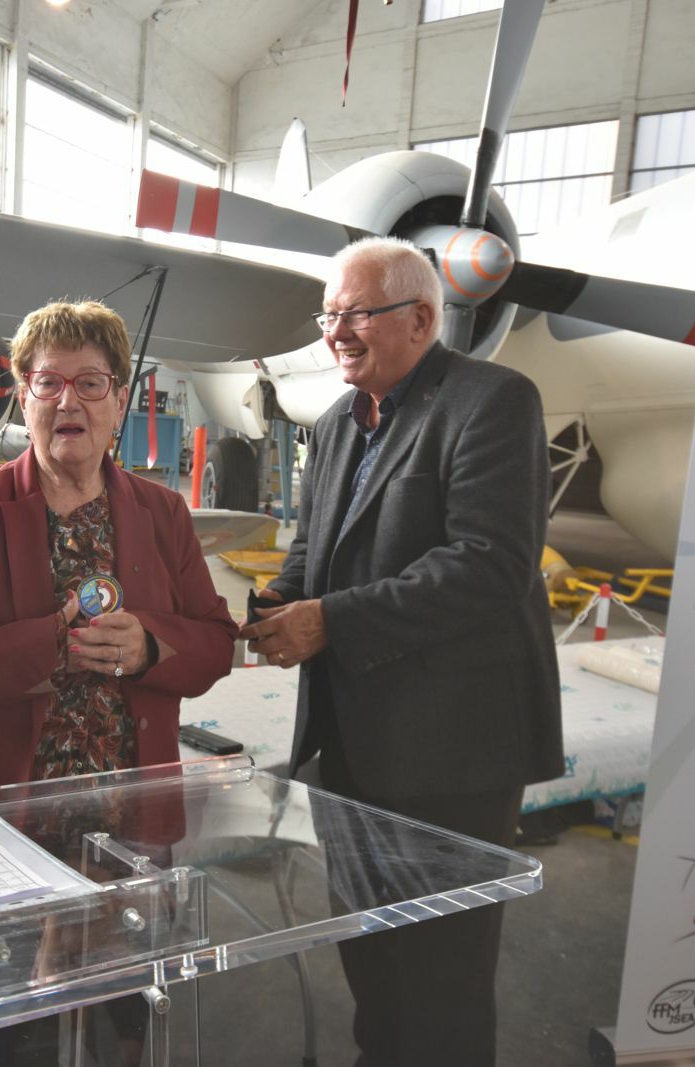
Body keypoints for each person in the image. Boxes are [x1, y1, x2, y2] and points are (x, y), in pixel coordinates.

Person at [240, 236, 563, 1065]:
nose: (334, 334)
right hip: (352, 738)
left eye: (353, 315)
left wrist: (330, 622)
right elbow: (312, 548)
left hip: (455, 748)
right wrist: (274, 602)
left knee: (443, 973)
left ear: (421, 317)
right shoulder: (339, 421)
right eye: (328, 316)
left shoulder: (494, 401)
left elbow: (487, 565)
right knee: (371, 948)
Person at [0, 299, 236, 804]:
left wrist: (151, 646)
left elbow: (216, 644)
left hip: (127, 806)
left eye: (90, 383)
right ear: (24, 399)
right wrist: (49, 647)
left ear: (120, 399)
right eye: (48, 383)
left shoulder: (164, 511)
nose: (68, 403)